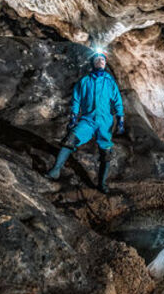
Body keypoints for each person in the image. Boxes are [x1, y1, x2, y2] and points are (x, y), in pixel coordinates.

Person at [46, 49, 125, 192]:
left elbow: (117, 101)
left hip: (105, 122)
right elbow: (76, 100)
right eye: (97, 60)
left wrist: (120, 118)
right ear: (92, 63)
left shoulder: (109, 82)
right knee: (70, 139)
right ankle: (56, 170)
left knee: (105, 153)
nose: (100, 62)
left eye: (102, 60)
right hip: (88, 120)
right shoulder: (85, 81)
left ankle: (102, 184)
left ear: (105, 64)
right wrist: (74, 117)